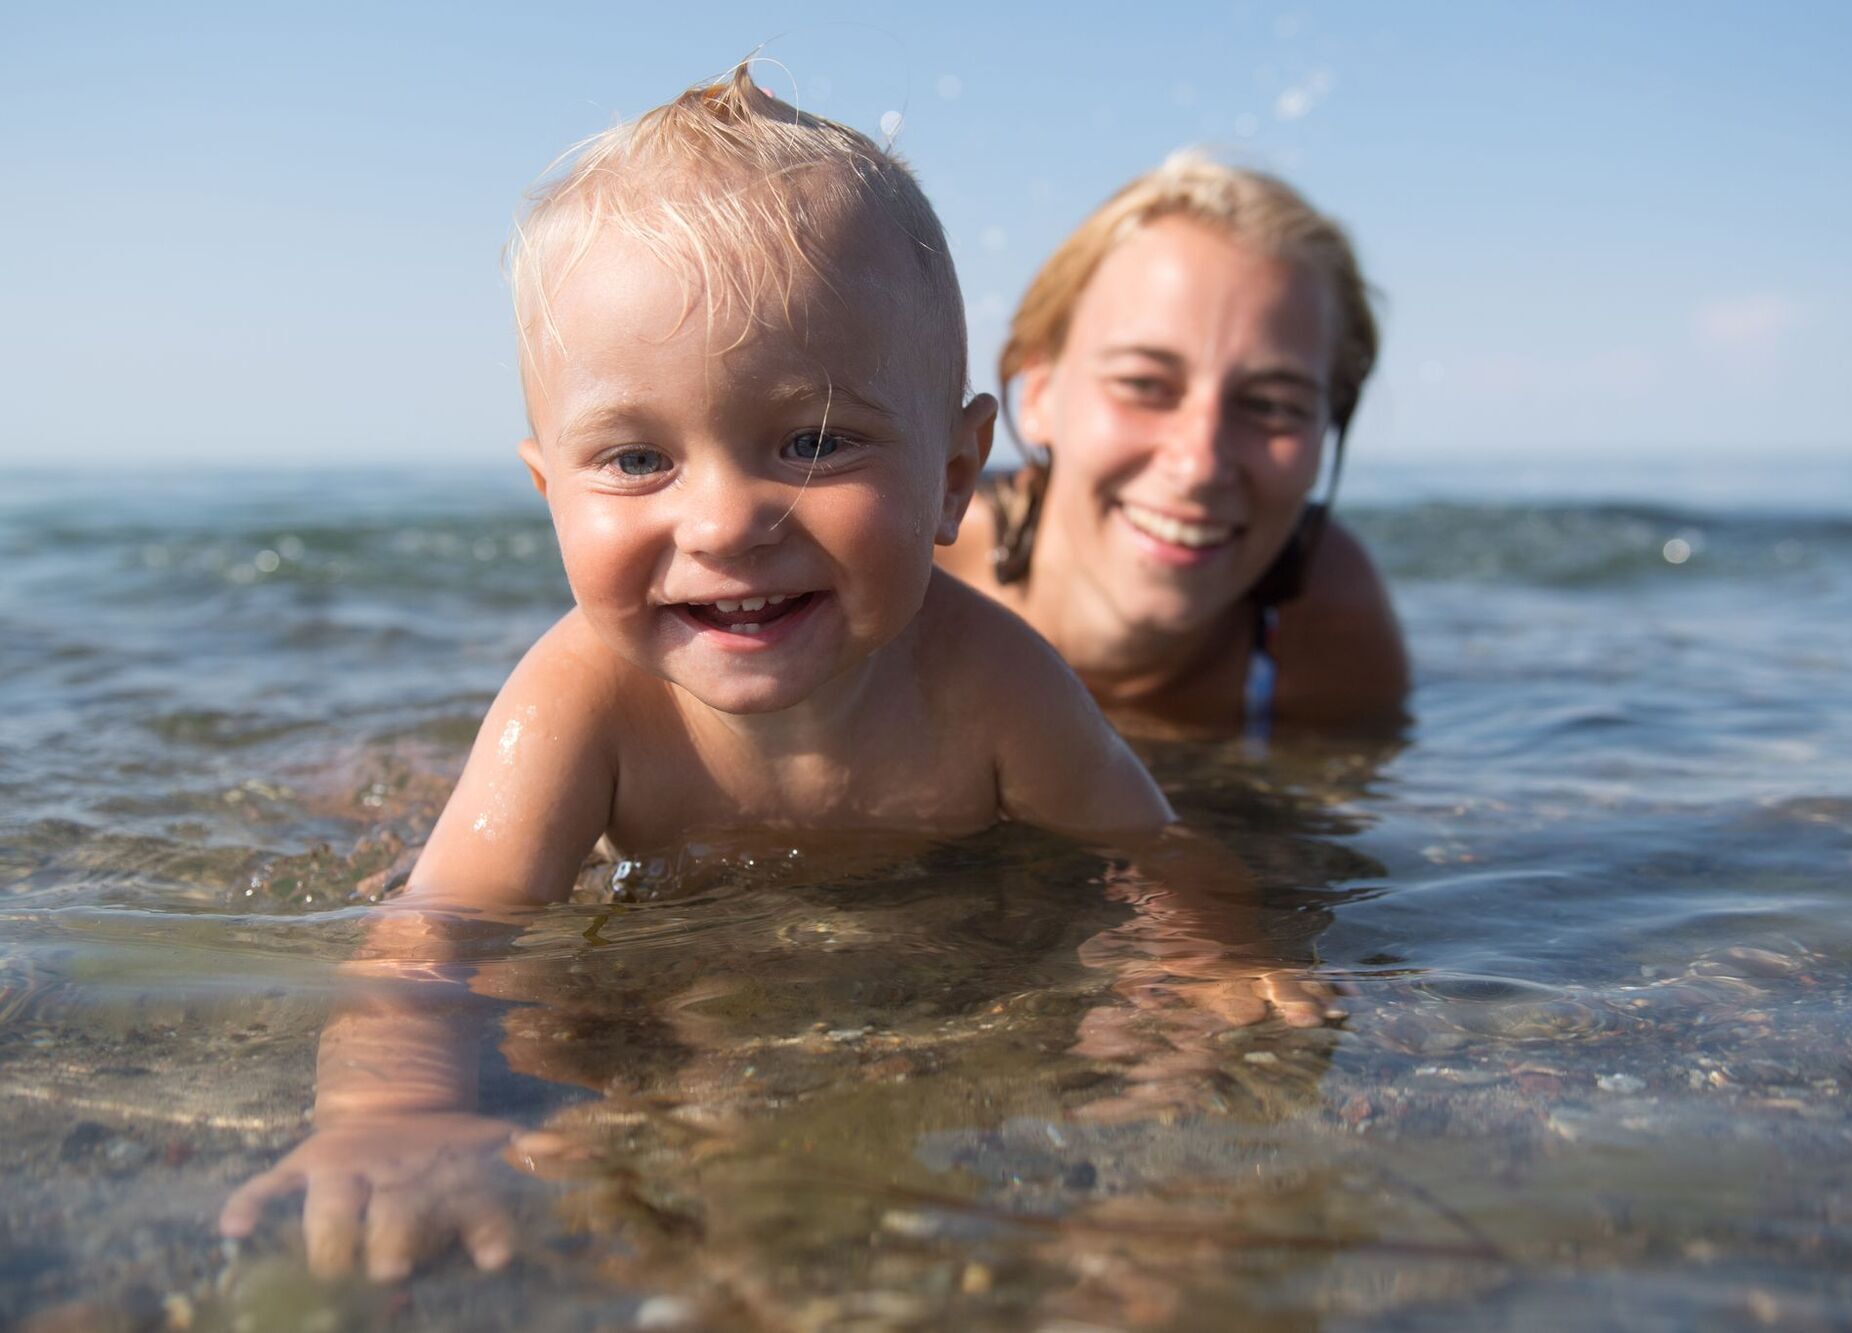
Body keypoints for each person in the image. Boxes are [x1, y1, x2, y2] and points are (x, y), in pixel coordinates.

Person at [219, 68, 1331, 1282]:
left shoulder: (995, 684)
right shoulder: (582, 701)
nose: (725, 519)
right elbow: (430, 938)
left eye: (811, 441)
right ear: (551, 495)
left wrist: (1212, 963)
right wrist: (394, 1110)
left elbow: (1151, 851)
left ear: (957, 471)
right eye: (637, 457)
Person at [936, 155, 1410, 737]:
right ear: (1036, 396)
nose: (1199, 465)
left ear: (1325, 434)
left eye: (1272, 406)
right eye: (1143, 385)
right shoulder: (913, 583)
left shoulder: (1324, 626)